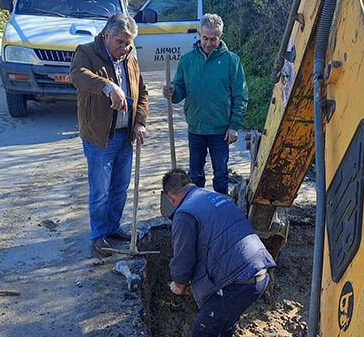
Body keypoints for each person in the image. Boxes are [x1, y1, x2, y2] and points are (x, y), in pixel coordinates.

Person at [70, 14, 148, 256]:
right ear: (106, 36)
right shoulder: (86, 52)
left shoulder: (130, 58)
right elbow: (77, 75)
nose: (125, 47)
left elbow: (142, 92)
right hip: (100, 138)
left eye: (128, 42)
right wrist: (107, 85)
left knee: (119, 188)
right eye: (121, 42)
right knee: (100, 191)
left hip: (125, 136)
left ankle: (113, 227)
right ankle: (99, 235)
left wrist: (139, 122)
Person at [162, 169, 275, 336]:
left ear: (170, 198)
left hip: (238, 282)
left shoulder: (184, 214)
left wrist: (179, 283)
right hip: (259, 273)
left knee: (203, 332)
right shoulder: (217, 197)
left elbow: (183, 257)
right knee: (223, 326)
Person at [163, 13, 248, 195]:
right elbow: (179, 91)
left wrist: (233, 126)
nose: (208, 43)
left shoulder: (231, 61)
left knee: (221, 175)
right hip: (196, 129)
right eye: (205, 38)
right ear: (199, 34)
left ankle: (221, 212)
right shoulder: (187, 60)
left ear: (221, 37)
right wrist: (172, 92)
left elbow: (240, 96)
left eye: (213, 39)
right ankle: (198, 211)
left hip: (220, 131)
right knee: (195, 175)